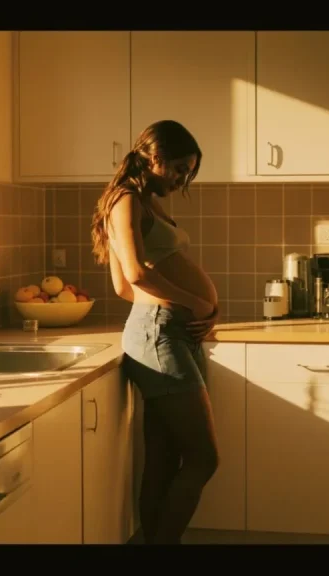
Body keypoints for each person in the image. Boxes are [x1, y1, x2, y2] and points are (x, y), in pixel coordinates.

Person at [89, 120, 220, 545]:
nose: (183, 177)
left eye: (189, 170)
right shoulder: (125, 200)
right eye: (180, 167)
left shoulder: (147, 201)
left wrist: (197, 307)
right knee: (204, 458)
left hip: (175, 332)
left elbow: (128, 285)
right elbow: (133, 275)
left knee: (164, 458)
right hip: (159, 336)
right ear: (153, 156)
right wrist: (195, 303)